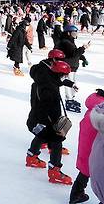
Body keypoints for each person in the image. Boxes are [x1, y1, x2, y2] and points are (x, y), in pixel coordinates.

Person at [25, 55, 75, 185]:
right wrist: (53, 126)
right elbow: (47, 108)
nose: (64, 77)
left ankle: (31, 157)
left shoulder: (43, 78)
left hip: (36, 118)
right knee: (56, 141)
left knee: (41, 135)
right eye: (64, 75)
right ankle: (55, 172)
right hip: (44, 119)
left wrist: (68, 83)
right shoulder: (50, 89)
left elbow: (55, 81)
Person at [56, 25, 89, 113]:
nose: (76, 34)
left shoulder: (69, 41)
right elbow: (74, 53)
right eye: (74, 33)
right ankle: (69, 100)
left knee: (72, 83)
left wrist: (83, 58)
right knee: (68, 83)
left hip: (72, 66)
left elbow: (74, 52)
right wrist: (83, 48)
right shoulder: (65, 42)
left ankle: (71, 98)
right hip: (67, 67)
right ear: (68, 33)